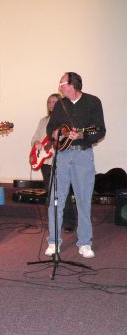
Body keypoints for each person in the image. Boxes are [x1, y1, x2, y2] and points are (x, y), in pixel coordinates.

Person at [45, 72, 106, 259]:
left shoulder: (93, 102)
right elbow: (50, 129)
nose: (60, 86)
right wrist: (56, 133)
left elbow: (100, 130)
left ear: (72, 85)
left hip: (82, 156)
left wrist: (81, 135)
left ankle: (85, 242)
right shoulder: (60, 105)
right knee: (56, 200)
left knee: (83, 200)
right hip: (62, 156)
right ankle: (54, 241)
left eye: (62, 83)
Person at [31, 93, 76, 232]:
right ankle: (55, 222)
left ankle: (69, 223)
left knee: (64, 192)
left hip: (60, 160)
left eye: (55, 102)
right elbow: (35, 138)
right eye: (49, 102)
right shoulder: (43, 121)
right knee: (50, 192)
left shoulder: (66, 122)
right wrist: (37, 143)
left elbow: (70, 140)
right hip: (45, 162)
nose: (51, 104)